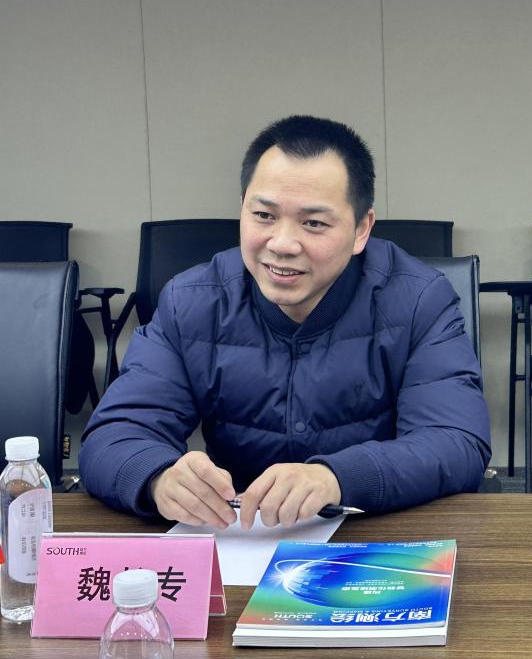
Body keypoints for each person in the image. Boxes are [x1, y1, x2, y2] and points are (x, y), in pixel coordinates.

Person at [80, 115, 491, 530]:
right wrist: (157, 476)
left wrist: (336, 478)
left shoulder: (418, 300)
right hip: (238, 537)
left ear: (361, 229)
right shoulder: (191, 303)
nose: (282, 244)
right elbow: (113, 435)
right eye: (263, 215)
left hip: (375, 534)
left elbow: (454, 441)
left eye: (314, 223)